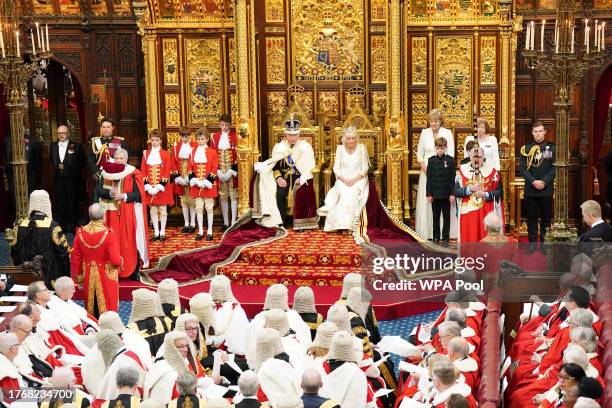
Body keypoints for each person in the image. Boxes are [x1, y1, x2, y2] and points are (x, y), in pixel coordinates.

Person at [253, 116, 318, 230]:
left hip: (300, 176)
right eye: (290, 135)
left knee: (301, 190)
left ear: (299, 134)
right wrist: (278, 178)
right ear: (285, 134)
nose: (292, 138)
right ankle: (281, 220)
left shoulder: (305, 146)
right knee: (280, 192)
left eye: (294, 135)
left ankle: (300, 223)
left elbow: (310, 165)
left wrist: (302, 177)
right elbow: (274, 166)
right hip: (284, 177)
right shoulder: (279, 147)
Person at [96, 148, 149, 279]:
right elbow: (98, 190)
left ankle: (133, 270)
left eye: (122, 159)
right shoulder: (106, 172)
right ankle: (111, 269)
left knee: (130, 240)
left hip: (128, 213)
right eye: (117, 158)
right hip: (110, 214)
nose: (119, 161)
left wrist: (123, 196)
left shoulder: (133, 173)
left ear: (126, 160)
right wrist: (109, 193)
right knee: (111, 241)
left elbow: (140, 195)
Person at [70, 203, 123, 317]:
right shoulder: (108, 234)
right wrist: (121, 261)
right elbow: (115, 260)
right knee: (108, 310)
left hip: (88, 276)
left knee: (91, 309)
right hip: (105, 276)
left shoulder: (79, 233)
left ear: (89, 216)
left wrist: (79, 279)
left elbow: (76, 259)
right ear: (103, 216)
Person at [11, 189, 70, 287]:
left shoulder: (20, 225)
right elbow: (63, 253)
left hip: (26, 278)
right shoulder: (53, 226)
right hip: (49, 278)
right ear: (47, 203)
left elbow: (15, 252)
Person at [318, 127, 369, 232]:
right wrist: (344, 179)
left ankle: (352, 226)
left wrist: (354, 179)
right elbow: (336, 168)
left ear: (357, 139)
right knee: (343, 193)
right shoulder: (340, 149)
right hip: (343, 179)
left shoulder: (361, 148)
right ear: (344, 139)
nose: (351, 141)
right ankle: (341, 226)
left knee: (352, 193)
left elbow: (365, 168)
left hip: (358, 179)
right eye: (349, 138)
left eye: (353, 138)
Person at [415, 109, 456, 240]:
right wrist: (426, 168)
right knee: (428, 201)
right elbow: (419, 154)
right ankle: (428, 233)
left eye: (436, 121)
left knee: (443, 205)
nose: (433, 123)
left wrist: (439, 170)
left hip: (443, 175)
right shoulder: (424, 133)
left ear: (440, 121)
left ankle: (444, 235)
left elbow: (451, 155)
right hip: (426, 172)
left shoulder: (447, 133)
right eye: (431, 121)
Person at [520, 121, 556, 253]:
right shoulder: (526, 148)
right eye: (535, 131)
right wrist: (534, 181)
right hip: (531, 189)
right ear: (532, 132)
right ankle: (532, 244)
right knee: (531, 217)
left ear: (545, 132)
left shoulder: (552, 148)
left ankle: (545, 245)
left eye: (540, 131)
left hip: (546, 189)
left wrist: (544, 182)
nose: (538, 134)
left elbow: (554, 168)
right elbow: (523, 169)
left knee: (546, 218)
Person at [455, 146, 502, 243]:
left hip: (487, 213)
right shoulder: (461, 171)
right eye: (474, 157)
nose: (476, 160)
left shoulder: (493, 172)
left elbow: (499, 193)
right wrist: (469, 189)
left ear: (484, 156)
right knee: (469, 239)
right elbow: (456, 192)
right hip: (468, 214)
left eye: (479, 157)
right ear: (470, 156)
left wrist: (485, 194)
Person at [50, 125, 85, 233]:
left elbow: (82, 162)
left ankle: (73, 225)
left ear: (68, 134)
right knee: (60, 202)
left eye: (63, 133)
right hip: (58, 180)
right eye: (59, 133)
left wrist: (73, 172)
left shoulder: (76, 145)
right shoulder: (53, 145)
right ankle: (62, 225)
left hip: (72, 180)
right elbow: (53, 161)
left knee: (72, 202)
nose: (61, 135)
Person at [141, 129, 174, 242]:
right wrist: (148, 186)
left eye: (157, 140)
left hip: (162, 188)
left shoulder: (165, 154)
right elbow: (143, 171)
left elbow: (166, 171)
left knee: (163, 210)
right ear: (150, 140)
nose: (154, 142)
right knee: (153, 210)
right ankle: (156, 231)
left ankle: (163, 232)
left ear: (160, 141)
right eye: (153, 140)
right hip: (150, 187)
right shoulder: (146, 154)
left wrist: (159, 186)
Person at [88, 117, 128, 201]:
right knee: (99, 202)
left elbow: (125, 160)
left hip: (116, 176)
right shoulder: (95, 142)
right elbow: (90, 159)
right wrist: (96, 172)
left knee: (115, 202)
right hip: (100, 176)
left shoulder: (120, 142)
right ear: (101, 128)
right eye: (103, 127)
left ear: (112, 128)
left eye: (108, 127)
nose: (105, 129)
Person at [189, 128, 219, 241]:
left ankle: (210, 230)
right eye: (198, 139)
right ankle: (201, 231)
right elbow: (189, 168)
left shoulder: (212, 152)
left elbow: (215, 167)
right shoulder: (192, 152)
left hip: (208, 186)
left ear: (206, 139)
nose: (200, 141)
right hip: (196, 186)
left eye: (202, 139)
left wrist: (207, 182)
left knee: (209, 208)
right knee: (199, 208)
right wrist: (195, 180)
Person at [210, 114, 239, 230]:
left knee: (233, 195)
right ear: (219, 125)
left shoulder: (235, 136)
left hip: (231, 170)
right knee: (223, 196)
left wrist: (232, 170)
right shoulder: (214, 137)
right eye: (222, 125)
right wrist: (217, 171)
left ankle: (233, 222)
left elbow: (238, 155)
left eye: (227, 125)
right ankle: (226, 222)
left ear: (230, 125)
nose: (225, 127)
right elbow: (212, 156)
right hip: (220, 171)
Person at [426, 137, 456, 244]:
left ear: (446, 148)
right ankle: (436, 236)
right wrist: (428, 193)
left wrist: (452, 193)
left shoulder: (450, 160)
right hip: (435, 194)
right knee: (436, 217)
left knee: (446, 217)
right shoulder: (431, 161)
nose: (440, 150)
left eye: (442, 148)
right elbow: (429, 178)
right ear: (435, 148)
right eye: (438, 148)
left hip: (447, 194)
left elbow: (452, 178)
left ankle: (446, 237)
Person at [173, 126, 197, 233]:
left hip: (191, 177)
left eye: (186, 136)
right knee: (183, 201)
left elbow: (196, 163)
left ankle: (193, 223)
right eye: (182, 136)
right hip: (180, 177)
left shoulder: (195, 146)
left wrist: (189, 177)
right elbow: (173, 162)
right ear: (180, 136)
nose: (185, 138)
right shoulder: (176, 147)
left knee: (192, 200)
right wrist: (177, 177)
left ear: (190, 135)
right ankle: (186, 223)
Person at [0, 332, 27, 406]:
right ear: (13, 349)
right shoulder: (6, 372)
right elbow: (16, 401)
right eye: (19, 344)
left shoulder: (5, 361)